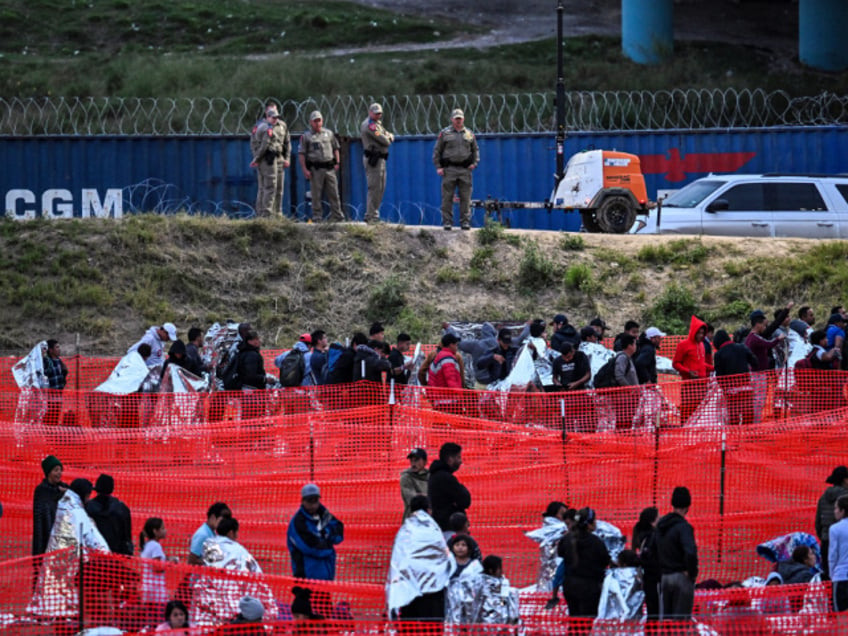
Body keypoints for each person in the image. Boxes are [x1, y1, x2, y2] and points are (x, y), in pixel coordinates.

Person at [386, 495, 455, 623]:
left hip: (408, 590)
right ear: (429, 510)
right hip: (433, 590)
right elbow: (444, 556)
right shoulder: (433, 530)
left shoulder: (405, 531)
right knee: (431, 627)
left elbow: (398, 558)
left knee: (410, 627)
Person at [558, 507, 611, 632]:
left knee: (575, 621)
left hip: (570, 584)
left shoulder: (566, 539)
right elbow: (605, 561)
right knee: (586, 624)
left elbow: (561, 555)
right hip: (589, 586)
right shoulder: (596, 542)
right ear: (589, 523)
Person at [432, 108, 480, 230]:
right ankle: (447, 221)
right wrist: (438, 166)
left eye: (460, 118)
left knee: (466, 197)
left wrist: (475, 163)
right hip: (450, 169)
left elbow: (475, 150)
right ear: (452, 119)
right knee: (447, 197)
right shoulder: (445, 133)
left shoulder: (469, 134)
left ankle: (465, 221)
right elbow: (437, 150)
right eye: (456, 118)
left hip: (465, 170)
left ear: (463, 119)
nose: (458, 121)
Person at [656, 486, 698, 621]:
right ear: (688, 506)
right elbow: (690, 552)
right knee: (680, 624)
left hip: (664, 577)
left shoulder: (660, 526)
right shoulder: (684, 527)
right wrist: (691, 572)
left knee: (666, 624)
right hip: (681, 577)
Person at [287, 483, 345, 581]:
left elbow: (339, 532)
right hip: (305, 578)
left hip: (326, 576)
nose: (313, 505)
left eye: (315, 500)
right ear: (303, 501)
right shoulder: (298, 522)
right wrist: (328, 544)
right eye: (309, 501)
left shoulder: (324, 515)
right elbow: (309, 547)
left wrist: (326, 535)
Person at [299, 110, 343, 223]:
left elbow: (336, 148)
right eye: (315, 121)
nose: (317, 123)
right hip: (316, 169)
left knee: (334, 193)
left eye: (319, 121)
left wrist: (337, 162)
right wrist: (305, 169)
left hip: (329, 168)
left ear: (322, 121)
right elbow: (302, 154)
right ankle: (317, 216)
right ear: (311, 122)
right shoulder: (307, 136)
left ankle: (337, 215)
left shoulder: (328, 133)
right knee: (316, 194)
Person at [713, 329, 757, 426]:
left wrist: (724, 388)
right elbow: (754, 361)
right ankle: (748, 437)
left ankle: (735, 439)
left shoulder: (719, 354)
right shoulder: (742, 347)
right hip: (746, 388)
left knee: (733, 419)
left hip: (731, 392)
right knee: (748, 416)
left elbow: (719, 375)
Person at [672, 316, 712, 423]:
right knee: (688, 411)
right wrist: (688, 371)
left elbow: (701, 363)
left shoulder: (702, 345)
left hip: (702, 384)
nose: (701, 335)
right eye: (698, 332)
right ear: (693, 331)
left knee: (701, 412)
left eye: (702, 333)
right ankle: (684, 430)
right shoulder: (683, 345)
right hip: (689, 384)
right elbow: (675, 363)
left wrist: (712, 368)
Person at [140, 517, 178, 626]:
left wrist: (167, 560)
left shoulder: (147, 545)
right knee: (160, 623)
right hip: (157, 592)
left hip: (147, 590)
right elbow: (157, 567)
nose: (165, 530)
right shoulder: (156, 546)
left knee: (151, 623)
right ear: (155, 531)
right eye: (163, 528)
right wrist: (170, 563)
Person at [250, 106, 287, 218]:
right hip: (268, 159)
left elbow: (286, 142)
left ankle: (269, 213)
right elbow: (263, 145)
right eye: (273, 117)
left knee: (271, 187)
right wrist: (257, 158)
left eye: (276, 117)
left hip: (273, 158)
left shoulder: (277, 126)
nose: (275, 119)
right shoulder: (266, 128)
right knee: (269, 186)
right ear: (268, 117)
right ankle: (266, 213)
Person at [428, 442, 471, 539]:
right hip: (448, 528)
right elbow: (465, 500)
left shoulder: (436, 476)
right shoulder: (445, 478)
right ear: (450, 459)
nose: (460, 461)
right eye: (458, 457)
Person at [361, 102, 395, 223]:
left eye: (379, 113)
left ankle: (372, 214)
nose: (378, 115)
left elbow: (388, 134)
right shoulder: (370, 126)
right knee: (374, 187)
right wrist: (389, 137)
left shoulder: (377, 124)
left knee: (380, 188)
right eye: (376, 114)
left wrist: (388, 135)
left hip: (381, 159)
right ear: (370, 112)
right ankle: (371, 215)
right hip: (373, 160)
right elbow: (385, 140)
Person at [85, 473, 133, 556]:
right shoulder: (121, 508)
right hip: (117, 554)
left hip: (95, 553)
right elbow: (127, 534)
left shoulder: (88, 507)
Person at [32, 455, 68, 557]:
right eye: (56, 470)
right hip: (45, 534)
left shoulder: (65, 488)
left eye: (60, 470)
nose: (59, 473)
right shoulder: (41, 490)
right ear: (48, 473)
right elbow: (39, 519)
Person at [817, 466, 848, 580]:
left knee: (828, 576)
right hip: (844, 541)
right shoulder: (846, 496)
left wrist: (824, 536)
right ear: (845, 480)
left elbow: (818, 522)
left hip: (826, 540)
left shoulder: (823, 497)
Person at [632, 506, 660, 626]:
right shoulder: (653, 538)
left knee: (652, 612)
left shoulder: (642, 537)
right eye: (658, 517)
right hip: (654, 579)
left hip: (648, 579)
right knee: (655, 613)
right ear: (652, 522)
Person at [188, 502, 231, 566]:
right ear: (213, 517)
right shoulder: (203, 535)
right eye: (221, 521)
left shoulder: (211, 533)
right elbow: (192, 560)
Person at [401, 448, 430, 521]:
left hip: (430, 517)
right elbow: (413, 499)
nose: (413, 464)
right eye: (412, 460)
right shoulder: (406, 477)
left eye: (416, 460)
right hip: (412, 517)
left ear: (425, 462)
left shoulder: (431, 475)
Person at [830, 495, 848, 611]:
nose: (834, 511)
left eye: (836, 508)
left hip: (841, 576)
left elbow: (832, 555)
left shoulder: (835, 528)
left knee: (840, 618)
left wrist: (832, 575)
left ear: (843, 510)